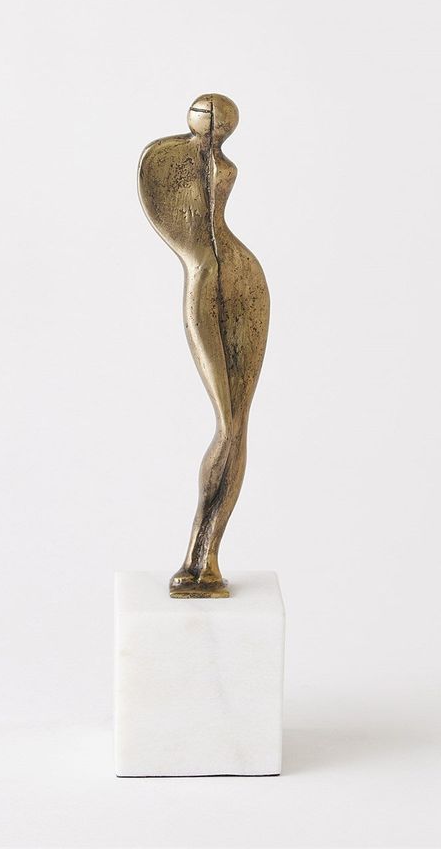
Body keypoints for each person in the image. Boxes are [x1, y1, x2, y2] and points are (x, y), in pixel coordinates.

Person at [138, 94, 270, 597]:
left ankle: (207, 556)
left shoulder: (216, 160)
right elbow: (178, 228)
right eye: (208, 113)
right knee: (226, 423)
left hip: (241, 274)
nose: (215, 119)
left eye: (219, 116)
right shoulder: (164, 158)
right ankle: (196, 552)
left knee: (238, 423)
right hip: (203, 278)